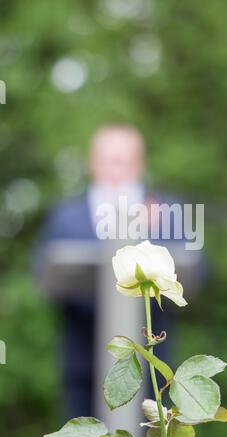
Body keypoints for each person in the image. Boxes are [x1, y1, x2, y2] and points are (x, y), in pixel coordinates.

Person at [36, 124, 176, 419]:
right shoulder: (65, 215)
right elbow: (42, 275)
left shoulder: (165, 213)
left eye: (123, 159)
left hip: (154, 368)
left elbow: (195, 271)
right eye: (108, 159)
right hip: (84, 364)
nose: (116, 168)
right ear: (92, 163)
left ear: (140, 164)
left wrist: (148, 233)